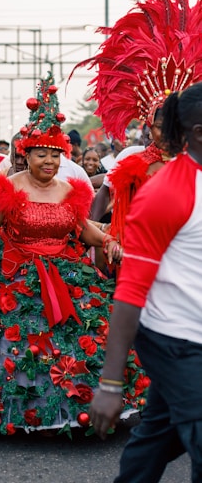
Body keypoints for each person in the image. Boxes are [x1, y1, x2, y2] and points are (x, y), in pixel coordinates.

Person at [0, 73, 147, 437]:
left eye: (54, 155)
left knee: (77, 343)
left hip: (67, 275)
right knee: (20, 346)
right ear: (25, 154)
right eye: (41, 154)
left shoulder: (70, 189)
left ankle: (78, 411)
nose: (49, 161)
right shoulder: (9, 187)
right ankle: (23, 413)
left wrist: (110, 241)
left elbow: (85, 231)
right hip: (16, 278)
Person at [89, 81, 202, 483]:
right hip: (175, 339)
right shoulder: (167, 192)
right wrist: (110, 381)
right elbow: (131, 289)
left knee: (159, 434)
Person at [74, 0, 202, 240]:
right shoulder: (133, 163)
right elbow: (114, 211)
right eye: (161, 125)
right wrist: (93, 234)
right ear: (148, 127)